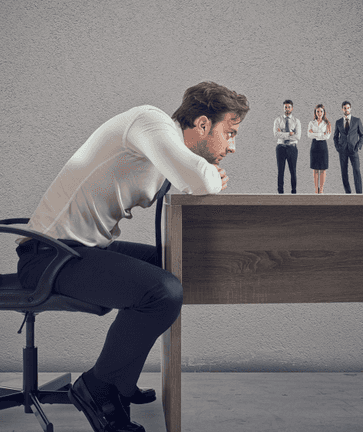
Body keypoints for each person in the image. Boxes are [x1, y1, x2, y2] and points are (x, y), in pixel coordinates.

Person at [16, 82, 249, 432]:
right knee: (162, 291)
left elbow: (193, 178)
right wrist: (209, 175)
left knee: (173, 268)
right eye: (229, 133)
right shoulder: (150, 123)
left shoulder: (165, 149)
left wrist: (204, 174)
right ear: (203, 124)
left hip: (82, 249)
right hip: (49, 256)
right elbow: (199, 181)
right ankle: (97, 388)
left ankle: (120, 382)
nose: (232, 147)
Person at [333, 101, 363, 194]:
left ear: (350, 109)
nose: (346, 110)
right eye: (344, 108)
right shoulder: (338, 122)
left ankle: (359, 194)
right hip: (342, 150)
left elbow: (362, 135)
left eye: (348, 108)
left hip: (353, 150)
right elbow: (335, 136)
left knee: (356, 171)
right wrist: (337, 148)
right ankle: (348, 193)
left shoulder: (357, 120)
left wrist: (358, 146)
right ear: (342, 109)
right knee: (344, 172)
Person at [274, 100, 302, 194]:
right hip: (281, 148)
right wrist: (290, 134)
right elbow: (276, 134)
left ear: (292, 108)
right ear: (283, 108)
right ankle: (280, 192)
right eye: (285, 107)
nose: (287, 109)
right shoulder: (278, 120)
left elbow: (298, 136)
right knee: (280, 171)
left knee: (293, 171)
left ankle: (294, 192)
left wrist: (282, 133)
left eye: (289, 107)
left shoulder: (296, 121)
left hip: (292, 148)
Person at [307, 104, 333, 193]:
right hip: (314, 146)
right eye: (317, 111)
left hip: (323, 146)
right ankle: (316, 190)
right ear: (315, 112)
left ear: (324, 112)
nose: (319, 113)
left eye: (321, 111)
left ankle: (321, 190)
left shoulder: (327, 123)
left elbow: (327, 136)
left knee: (322, 168)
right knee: (315, 169)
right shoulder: (311, 123)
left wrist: (315, 134)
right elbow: (309, 135)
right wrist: (321, 134)